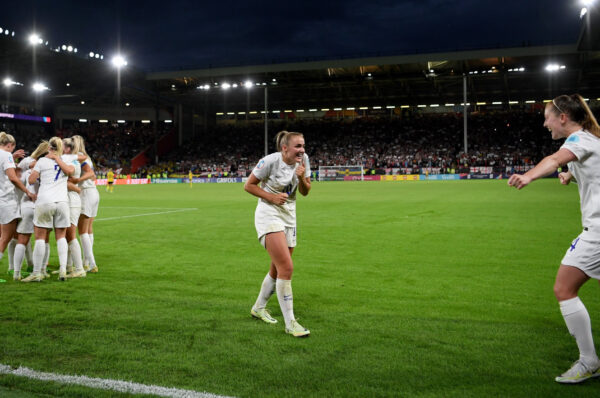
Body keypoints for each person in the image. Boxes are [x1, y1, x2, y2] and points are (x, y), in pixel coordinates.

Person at [508, 94, 600, 383]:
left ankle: (589, 361)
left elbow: (555, 158)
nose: (545, 123)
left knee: (564, 288)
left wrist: (529, 176)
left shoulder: (579, 141)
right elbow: (581, 167)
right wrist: (569, 177)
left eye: (547, 116)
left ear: (562, 117)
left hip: (598, 232)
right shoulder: (589, 140)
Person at [244, 130, 312, 337]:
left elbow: (306, 191)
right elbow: (248, 185)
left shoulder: (304, 160)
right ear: (285, 148)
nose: (302, 150)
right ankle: (290, 323)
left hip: (289, 217)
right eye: (297, 146)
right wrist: (271, 198)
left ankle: (258, 307)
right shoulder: (269, 162)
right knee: (287, 267)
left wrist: (301, 178)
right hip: (268, 213)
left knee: (277, 269)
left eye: (303, 146)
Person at [22, 137, 74, 282]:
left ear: (48, 148)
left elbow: (31, 180)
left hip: (45, 201)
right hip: (62, 202)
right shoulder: (65, 160)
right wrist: (58, 160)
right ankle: (63, 270)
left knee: (40, 237)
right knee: (61, 237)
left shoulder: (42, 161)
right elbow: (70, 171)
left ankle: (37, 273)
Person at [0, 132, 36, 271]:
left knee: (11, 235)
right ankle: (16, 268)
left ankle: (15, 268)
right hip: (7, 200)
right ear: (10, 145)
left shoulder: (6, 155)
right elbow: (13, 178)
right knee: (5, 239)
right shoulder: (6, 155)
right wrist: (27, 191)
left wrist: (12, 157)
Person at [71, 135, 99, 273]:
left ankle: (92, 263)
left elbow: (90, 173)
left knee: (82, 231)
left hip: (86, 193)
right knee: (88, 229)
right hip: (93, 192)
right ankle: (86, 262)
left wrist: (77, 180)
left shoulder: (79, 156)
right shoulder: (87, 157)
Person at [61, 137, 86, 278]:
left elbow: (66, 181)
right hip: (71, 198)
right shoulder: (73, 159)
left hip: (71, 199)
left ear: (68, 148)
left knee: (70, 234)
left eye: (62, 146)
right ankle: (69, 267)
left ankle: (79, 269)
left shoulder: (67, 159)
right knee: (65, 235)